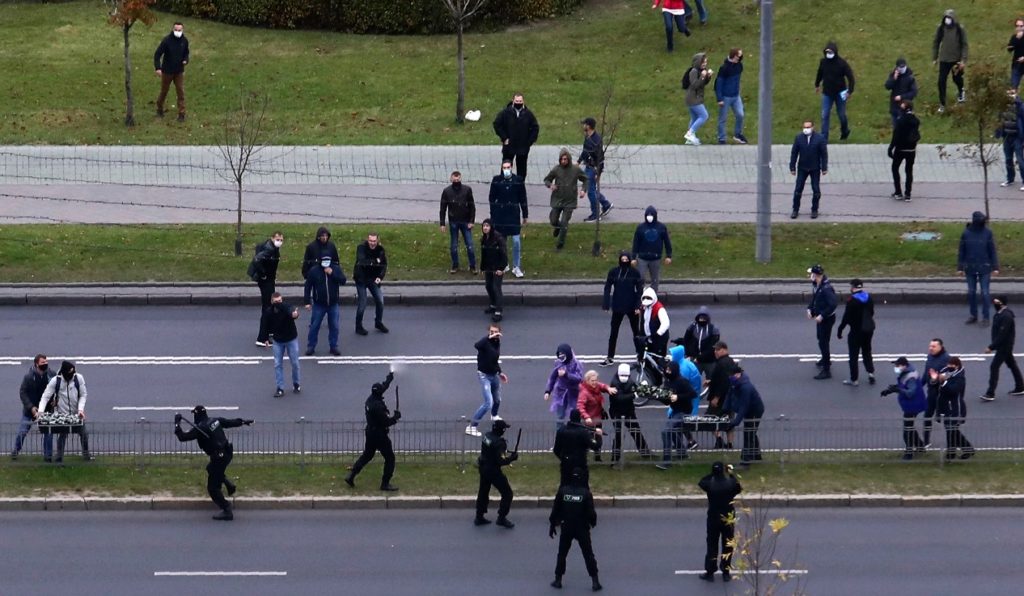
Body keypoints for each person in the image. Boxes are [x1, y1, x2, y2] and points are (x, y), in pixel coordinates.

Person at [174, 405, 253, 520]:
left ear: (196, 415)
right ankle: (229, 485)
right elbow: (229, 422)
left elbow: (182, 437)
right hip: (227, 453)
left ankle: (226, 509)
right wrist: (243, 422)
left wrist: (177, 423)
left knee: (212, 488)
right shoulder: (214, 420)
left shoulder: (200, 428)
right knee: (211, 469)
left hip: (218, 458)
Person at [548, 467, 601, 592]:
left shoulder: (563, 491)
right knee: (588, 554)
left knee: (562, 554)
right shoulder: (586, 493)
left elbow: (555, 510)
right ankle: (595, 581)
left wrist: (552, 525)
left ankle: (558, 580)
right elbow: (591, 513)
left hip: (566, 527)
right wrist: (592, 523)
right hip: (581, 528)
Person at [345, 372, 400, 491]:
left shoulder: (370, 399)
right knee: (390, 458)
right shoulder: (378, 407)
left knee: (367, 455)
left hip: (370, 432)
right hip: (380, 435)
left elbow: (381, 389)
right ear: (379, 393)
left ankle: (351, 475)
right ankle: (385, 483)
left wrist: (388, 380)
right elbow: (386, 422)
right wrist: (396, 418)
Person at [37, 361, 90, 464]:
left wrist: (80, 410)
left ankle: (86, 454)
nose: (72, 375)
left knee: (84, 434)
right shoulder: (55, 381)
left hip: (76, 414)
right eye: (69, 373)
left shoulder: (78, 378)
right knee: (62, 437)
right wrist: (40, 412)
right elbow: (45, 396)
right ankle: (59, 459)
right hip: (62, 414)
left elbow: (83, 395)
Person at [698, 461, 742, 583]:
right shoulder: (730, 484)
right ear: (723, 470)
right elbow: (739, 487)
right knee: (728, 545)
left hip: (713, 518)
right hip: (728, 518)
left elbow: (701, 482)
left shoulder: (709, 484)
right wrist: (730, 473)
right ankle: (726, 571)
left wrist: (712, 474)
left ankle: (710, 571)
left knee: (712, 545)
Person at [601, 250, 643, 367]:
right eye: (623, 260)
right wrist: (606, 303)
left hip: (631, 306)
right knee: (613, 333)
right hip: (618, 306)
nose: (624, 262)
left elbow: (640, 290)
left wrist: (637, 305)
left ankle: (640, 355)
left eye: (626, 260)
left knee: (636, 333)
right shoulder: (614, 272)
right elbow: (607, 287)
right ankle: (610, 357)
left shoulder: (635, 273)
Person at [957, 211, 999, 326]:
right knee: (971, 292)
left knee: (985, 293)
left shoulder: (987, 233)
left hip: (984, 267)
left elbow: (992, 250)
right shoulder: (966, 234)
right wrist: (960, 267)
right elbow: (962, 251)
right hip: (970, 267)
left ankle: (986, 317)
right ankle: (973, 315)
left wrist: (995, 267)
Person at [880, 357, 927, 460]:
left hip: (912, 406)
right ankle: (920, 446)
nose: (896, 367)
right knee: (910, 426)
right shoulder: (907, 372)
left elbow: (910, 393)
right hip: (912, 404)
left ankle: (909, 453)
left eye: (898, 365)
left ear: (904, 366)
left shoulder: (910, 377)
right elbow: (902, 385)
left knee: (907, 430)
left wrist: (898, 389)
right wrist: (890, 390)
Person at [488, 160, 529, 278]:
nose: (506, 169)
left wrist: (525, 214)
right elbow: (491, 198)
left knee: (516, 241)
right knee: (502, 241)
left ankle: (516, 266)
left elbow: (523, 198)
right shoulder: (496, 180)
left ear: (512, 167)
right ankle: (504, 263)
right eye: (504, 167)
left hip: (513, 215)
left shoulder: (518, 180)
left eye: (508, 167)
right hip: (500, 215)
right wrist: (493, 214)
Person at [475, 419, 518, 528]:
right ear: (502, 430)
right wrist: (512, 458)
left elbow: (491, 450)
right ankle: (501, 518)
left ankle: (479, 516)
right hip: (493, 471)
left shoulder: (487, 436)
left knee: (483, 492)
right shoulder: (500, 443)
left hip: (483, 467)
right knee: (507, 493)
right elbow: (501, 461)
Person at [656, 360, 698, 469]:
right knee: (673, 431)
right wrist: (658, 396)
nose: (668, 371)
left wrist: (678, 397)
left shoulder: (682, 381)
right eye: (667, 369)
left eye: (670, 370)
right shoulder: (667, 382)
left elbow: (693, 394)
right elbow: (667, 401)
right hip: (675, 411)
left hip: (684, 411)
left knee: (666, 432)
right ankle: (682, 453)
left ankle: (667, 461)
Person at [467, 324, 509, 436]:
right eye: (491, 332)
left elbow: (494, 360)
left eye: (495, 332)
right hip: (484, 375)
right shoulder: (485, 342)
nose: (493, 333)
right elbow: (476, 345)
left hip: (493, 374)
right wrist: (488, 337)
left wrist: (500, 373)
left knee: (497, 399)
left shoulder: (497, 343)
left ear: (499, 333)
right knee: (488, 403)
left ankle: (494, 415)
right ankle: (472, 427)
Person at [981, 296, 1024, 401]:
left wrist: (991, 347)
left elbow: (1002, 334)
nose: (994, 304)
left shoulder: (1006, 316)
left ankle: (990, 393)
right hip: (1004, 346)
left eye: (996, 302)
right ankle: (1020, 387)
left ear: (1002, 303)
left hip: (1004, 346)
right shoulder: (1001, 313)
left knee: (994, 367)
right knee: (1012, 365)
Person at [543, 149, 588, 250]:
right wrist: (550, 185)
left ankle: (560, 244)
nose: (564, 161)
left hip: (570, 201)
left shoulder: (575, 169)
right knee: (553, 220)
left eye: (566, 159)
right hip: (557, 199)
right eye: (562, 159)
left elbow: (585, 179)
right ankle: (557, 227)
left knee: (564, 222)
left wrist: (583, 190)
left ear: (569, 159)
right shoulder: (556, 169)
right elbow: (547, 179)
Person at [931, 357, 974, 460]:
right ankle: (966, 449)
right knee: (952, 430)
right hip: (945, 406)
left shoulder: (960, 379)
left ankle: (951, 454)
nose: (949, 367)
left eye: (951, 365)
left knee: (951, 430)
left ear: (956, 366)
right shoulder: (944, 371)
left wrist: (943, 382)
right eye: (948, 364)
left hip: (955, 408)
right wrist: (934, 380)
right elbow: (936, 384)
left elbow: (953, 391)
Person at [12, 354, 55, 461]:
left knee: (48, 434)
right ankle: (15, 451)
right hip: (30, 411)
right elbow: (23, 393)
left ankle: (48, 457)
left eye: (46, 362)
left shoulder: (52, 375)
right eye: (42, 363)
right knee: (22, 432)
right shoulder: (29, 377)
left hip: (46, 410)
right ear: (36, 364)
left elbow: (57, 389)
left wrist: (55, 400)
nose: (45, 364)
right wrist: (31, 407)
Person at [303, 255, 346, 356]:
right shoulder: (314, 271)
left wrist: (332, 273)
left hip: (333, 303)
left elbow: (343, 280)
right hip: (319, 304)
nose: (326, 262)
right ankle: (311, 346)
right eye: (324, 260)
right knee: (314, 326)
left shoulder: (335, 268)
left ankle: (333, 346)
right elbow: (308, 286)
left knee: (334, 326)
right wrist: (307, 302)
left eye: (328, 260)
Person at [608, 363, 651, 462]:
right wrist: (634, 395)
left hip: (628, 411)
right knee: (619, 434)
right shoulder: (614, 383)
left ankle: (645, 453)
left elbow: (634, 387)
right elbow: (620, 398)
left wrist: (642, 387)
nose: (624, 377)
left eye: (626, 375)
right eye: (622, 375)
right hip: (616, 412)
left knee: (636, 431)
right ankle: (615, 459)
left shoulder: (629, 380)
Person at [836, 279, 876, 386]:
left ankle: (854, 379)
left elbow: (846, 318)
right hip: (868, 329)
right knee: (867, 351)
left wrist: (840, 330)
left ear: (853, 288)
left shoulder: (852, 301)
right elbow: (872, 312)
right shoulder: (869, 298)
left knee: (853, 355)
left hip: (856, 331)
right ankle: (871, 373)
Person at [723, 365, 764, 464]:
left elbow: (744, 406)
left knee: (749, 433)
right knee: (751, 431)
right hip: (749, 409)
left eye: (731, 375)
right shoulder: (735, 382)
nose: (730, 377)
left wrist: (735, 422)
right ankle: (756, 454)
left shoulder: (746, 387)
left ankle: (746, 458)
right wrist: (724, 409)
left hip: (755, 410)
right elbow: (729, 394)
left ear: (738, 374)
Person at [814, 41, 855, 142]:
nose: (829, 54)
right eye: (827, 52)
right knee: (825, 114)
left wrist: (850, 91)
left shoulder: (842, 63)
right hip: (827, 92)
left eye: (831, 52)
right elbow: (819, 73)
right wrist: (817, 84)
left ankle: (845, 131)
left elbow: (851, 77)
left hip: (840, 92)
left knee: (841, 114)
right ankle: (824, 137)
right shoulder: (823, 62)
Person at [492, 93, 539, 180]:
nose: (518, 103)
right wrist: (504, 137)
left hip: (522, 148)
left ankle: (520, 186)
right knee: (506, 167)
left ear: (523, 101)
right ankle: (504, 184)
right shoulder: (505, 113)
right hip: (509, 146)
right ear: (513, 101)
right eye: (517, 101)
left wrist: (529, 142)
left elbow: (535, 128)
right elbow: (497, 124)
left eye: (520, 101)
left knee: (522, 170)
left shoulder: (528, 114)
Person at [249, 231, 283, 347]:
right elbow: (257, 260)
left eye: (281, 240)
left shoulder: (271, 247)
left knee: (269, 305)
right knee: (267, 308)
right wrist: (264, 274)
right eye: (277, 239)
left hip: (268, 280)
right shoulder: (270, 249)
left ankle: (269, 331)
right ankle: (262, 338)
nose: (279, 242)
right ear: (272, 238)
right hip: (266, 281)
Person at [789, 120, 828, 219]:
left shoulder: (819, 139)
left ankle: (814, 210)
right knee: (798, 189)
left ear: (813, 127)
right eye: (804, 127)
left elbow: (824, 154)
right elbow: (794, 153)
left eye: (808, 127)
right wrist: (792, 167)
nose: (806, 129)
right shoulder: (799, 138)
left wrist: (824, 167)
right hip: (802, 167)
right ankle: (795, 210)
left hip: (814, 168)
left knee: (816, 190)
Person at [440, 171, 478, 274]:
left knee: (469, 245)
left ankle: (473, 265)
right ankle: (455, 265)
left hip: (466, 222)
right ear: (451, 179)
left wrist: (471, 221)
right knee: (454, 246)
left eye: (458, 179)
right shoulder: (447, 191)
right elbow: (443, 208)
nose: (456, 181)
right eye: (454, 179)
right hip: (453, 222)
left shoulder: (467, 190)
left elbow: (472, 207)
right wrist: (442, 223)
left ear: (460, 178)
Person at [265, 292, 301, 398]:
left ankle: (296, 383)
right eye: (276, 302)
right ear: (272, 302)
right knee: (277, 364)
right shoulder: (269, 312)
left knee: (295, 363)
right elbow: (265, 324)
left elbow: (292, 312)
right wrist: (266, 338)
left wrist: (295, 314)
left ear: (282, 300)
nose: (278, 304)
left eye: (280, 301)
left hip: (291, 339)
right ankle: (280, 388)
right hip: (278, 341)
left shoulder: (286, 307)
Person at [577, 371, 617, 462]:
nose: (594, 382)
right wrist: (586, 417)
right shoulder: (584, 393)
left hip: (597, 419)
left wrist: (608, 388)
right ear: (587, 381)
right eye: (592, 381)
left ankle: (597, 456)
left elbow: (602, 386)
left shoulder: (596, 386)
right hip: (588, 421)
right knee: (587, 440)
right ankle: (583, 458)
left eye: (595, 380)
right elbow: (580, 406)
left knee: (598, 439)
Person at [932, 9, 968, 113]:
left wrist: (963, 60)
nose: (947, 20)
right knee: (941, 81)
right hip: (944, 60)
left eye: (949, 18)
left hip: (956, 60)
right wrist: (935, 57)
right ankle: (942, 103)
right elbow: (936, 42)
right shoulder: (941, 28)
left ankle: (961, 92)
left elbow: (964, 45)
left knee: (957, 78)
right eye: (946, 18)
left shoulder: (959, 29)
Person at [579, 117, 613, 223]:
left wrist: (598, 173)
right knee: (592, 189)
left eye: (584, 124)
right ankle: (606, 204)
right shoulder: (588, 137)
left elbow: (600, 158)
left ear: (588, 126)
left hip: (593, 168)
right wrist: (579, 161)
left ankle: (595, 214)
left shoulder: (596, 140)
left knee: (591, 191)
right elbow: (585, 151)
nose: (583, 126)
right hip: (588, 166)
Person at [807, 264, 838, 379]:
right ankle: (825, 359)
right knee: (820, 338)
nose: (810, 276)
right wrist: (809, 309)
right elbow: (815, 299)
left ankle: (826, 369)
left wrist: (822, 316)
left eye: (811, 274)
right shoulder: (817, 285)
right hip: (821, 318)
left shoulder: (826, 289)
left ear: (816, 275)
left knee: (823, 342)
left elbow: (833, 304)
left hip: (827, 319)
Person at [353, 233, 389, 335]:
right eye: (370, 241)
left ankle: (378, 322)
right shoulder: (361, 248)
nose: (372, 243)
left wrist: (380, 277)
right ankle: (358, 326)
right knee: (362, 303)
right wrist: (375, 261)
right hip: (361, 279)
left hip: (373, 279)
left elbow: (383, 265)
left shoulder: (380, 250)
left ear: (377, 241)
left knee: (380, 301)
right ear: (367, 240)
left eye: (374, 241)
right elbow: (362, 261)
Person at [153, 22, 190, 121]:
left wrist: (186, 60)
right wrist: (158, 68)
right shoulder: (167, 41)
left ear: (182, 30)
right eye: (176, 30)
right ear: (173, 30)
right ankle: (159, 108)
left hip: (179, 71)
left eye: (180, 30)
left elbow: (186, 52)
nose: (178, 32)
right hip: (167, 71)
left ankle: (182, 114)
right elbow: (157, 54)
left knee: (180, 92)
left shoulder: (184, 41)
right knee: (164, 91)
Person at [631, 206, 673, 290]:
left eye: (651, 215)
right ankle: (640, 294)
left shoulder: (661, 227)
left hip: (656, 258)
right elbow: (636, 243)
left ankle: (653, 296)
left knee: (655, 279)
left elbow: (667, 242)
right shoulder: (640, 227)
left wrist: (669, 256)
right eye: (648, 215)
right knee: (640, 278)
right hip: (642, 258)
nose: (649, 217)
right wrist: (633, 257)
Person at [553, 410, 599, 485]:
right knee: (582, 485)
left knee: (565, 485)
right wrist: (598, 436)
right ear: (580, 418)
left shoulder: (561, 430)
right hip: (580, 463)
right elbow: (595, 446)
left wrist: (564, 458)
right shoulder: (583, 432)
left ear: (570, 417)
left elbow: (556, 450)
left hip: (566, 463)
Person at [544, 344, 584, 427]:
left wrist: (566, 374)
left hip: (573, 393)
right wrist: (548, 391)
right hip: (560, 394)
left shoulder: (576, 364)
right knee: (560, 417)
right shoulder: (558, 363)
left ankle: (574, 434)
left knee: (574, 416)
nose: (561, 359)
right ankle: (560, 436)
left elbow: (579, 378)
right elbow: (552, 377)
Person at [888, 100, 920, 201]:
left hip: (900, 148)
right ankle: (908, 194)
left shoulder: (900, 120)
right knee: (909, 170)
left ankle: (898, 192)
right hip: (911, 149)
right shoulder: (916, 120)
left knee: (895, 168)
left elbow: (896, 135)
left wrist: (891, 147)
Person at [922, 338, 951, 448]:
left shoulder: (946, 359)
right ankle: (926, 441)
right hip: (932, 393)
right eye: (930, 346)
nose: (931, 348)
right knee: (927, 415)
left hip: (943, 394)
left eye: (933, 346)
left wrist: (937, 378)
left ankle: (952, 443)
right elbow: (926, 373)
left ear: (940, 347)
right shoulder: (930, 357)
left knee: (947, 420)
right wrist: (920, 385)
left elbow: (949, 376)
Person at [714, 48, 747, 145]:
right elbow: (719, 84)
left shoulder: (739, 66)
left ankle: (738, 134)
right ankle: (722, 138)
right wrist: (719, 98)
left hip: (736, 96)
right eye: (739, 56)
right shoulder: (724, 68)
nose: (740, 58)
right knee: (723, 118)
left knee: (740, 114)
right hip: (726, 97)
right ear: (734, 56)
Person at [706, 341, 736, 449]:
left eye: (717, 350)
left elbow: (724, 382)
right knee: (729, 421)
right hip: (730, 398)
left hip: (720, 399)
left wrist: (716, 397)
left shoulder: (721, 364)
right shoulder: (730, 362)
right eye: (715, 349)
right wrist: (710, 381)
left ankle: (719, 439)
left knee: (708, 419)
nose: (715, 352)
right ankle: (730, 444)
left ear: (724, 349)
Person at [678, 306, 721, 377]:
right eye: (700, 318)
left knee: (713, 380)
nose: (702, 320)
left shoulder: (713, 329)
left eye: (704, 318)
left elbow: (712, 347)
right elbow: (686, 340)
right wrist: (688, 353)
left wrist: (699, 357)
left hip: (709, 361)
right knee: (693, 379)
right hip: (695, 360)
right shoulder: (692, 327)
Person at [479, 219, 508, 323]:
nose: (485, 228)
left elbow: (504, 254)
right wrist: (482, 267)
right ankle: (493, 305)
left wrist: (501, 268)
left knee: (496, 287)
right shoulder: (484, 239)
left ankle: (498, 311)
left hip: (498, 267)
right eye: (484, 226)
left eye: (487, 226)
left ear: (491, 227)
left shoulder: (498, 238)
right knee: (488, 286)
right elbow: (484, 254)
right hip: (488, 267)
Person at [996, 88, 1024, 190]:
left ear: (1016, 93)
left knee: (1020, 160)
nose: (1010, 95)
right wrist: (998, 132)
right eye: (1008, 93)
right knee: (1008, 159)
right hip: (1007, 136)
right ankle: (1010, 179)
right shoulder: (1003, 106)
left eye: (1012, 93)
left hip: (1017, 137)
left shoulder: (1020, 106)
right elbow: (999, 120)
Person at [683, 52, 713, 146]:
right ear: (698, 62)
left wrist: (708, 76)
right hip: (693, 98)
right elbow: (695, 85)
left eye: (706, 62)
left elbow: (703, 84)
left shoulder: (700, 71)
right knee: (704, 115)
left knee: (694, 117)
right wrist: (703, 76)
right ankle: (690, 133)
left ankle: (689, 139)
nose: (705, 64)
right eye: (703, 62)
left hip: (694, 98)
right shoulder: (694, 71)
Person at [884, 58, 918, 128]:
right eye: (900, 67)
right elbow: (887, 86)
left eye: (903, 67)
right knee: (896, 128)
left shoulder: (910, 77)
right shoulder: (893, 74)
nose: (902, 69)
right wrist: (894, 79)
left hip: (905, 107)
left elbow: (914, 92)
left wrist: (901, 97)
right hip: (894, 107)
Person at [641, 287, 671, 359]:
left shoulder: (659, 309)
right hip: (650, 337)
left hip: (659, 339)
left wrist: (658, 334)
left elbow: (666, 323)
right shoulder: (645, 307)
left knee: (658, 358)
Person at [1008, 18, 1024, 90]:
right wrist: (1017, 38)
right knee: (1012, 89)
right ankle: (1020, 102)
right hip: (1017, 65)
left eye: (1021, 26)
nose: (1019, 28)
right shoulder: (1014, 37)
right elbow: (1010, 49)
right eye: (1017, 26)